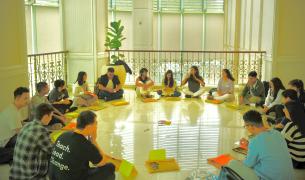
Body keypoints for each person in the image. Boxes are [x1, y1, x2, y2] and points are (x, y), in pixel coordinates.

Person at [226, 110, 294, 180]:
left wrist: (237, 161)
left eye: (245, 126)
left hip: (270, 177)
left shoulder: (255, 141)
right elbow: (268, 147)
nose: (246, 128)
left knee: (232, 163)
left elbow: (247, 164)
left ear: (251, 126)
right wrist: (249, 145)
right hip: (288, 177)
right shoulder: (277, 133)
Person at [49, 111, 115, 180]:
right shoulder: (85, 144)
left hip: (53, 177)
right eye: (96, 123)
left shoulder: (63, 135)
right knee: (109, 168)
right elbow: (102, 162)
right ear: (89, 127)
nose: (97, 126)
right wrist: (94, 141)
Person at [10, 103, 54, 179]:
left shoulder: (27, 125)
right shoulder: (42, 131)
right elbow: (52, 150)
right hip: (30, 175)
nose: (51, 119)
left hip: (16, 172)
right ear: (46, 116)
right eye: (51, 116)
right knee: (54, 156)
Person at [0, 87, 30, 164]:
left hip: (9, 138)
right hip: (3, 144)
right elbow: (21, 133)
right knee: (28, 148)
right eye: (25, 98)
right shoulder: (12, 112)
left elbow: (21, 123)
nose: (28, 101)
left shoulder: (14, 108)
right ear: (17, 98)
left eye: (28, 98)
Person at [280, 100, 305, 168]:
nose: (283, 110)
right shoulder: (301, 122)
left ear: (291, 112)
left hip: (296, 161)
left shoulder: (291, 126)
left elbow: (280, 143)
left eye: (285, 108)